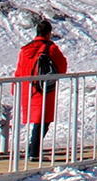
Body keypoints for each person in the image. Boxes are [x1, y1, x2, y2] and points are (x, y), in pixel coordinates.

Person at [14, 21, 67, 162]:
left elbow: (19, 70)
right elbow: (62, 67)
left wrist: (15, 86)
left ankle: (31, 149)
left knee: (35, 119)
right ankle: (34, 151)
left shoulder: (25, 49)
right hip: (44, 89)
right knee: (42, 120)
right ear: (49, 33)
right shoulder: (51, 48)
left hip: (27, 88)